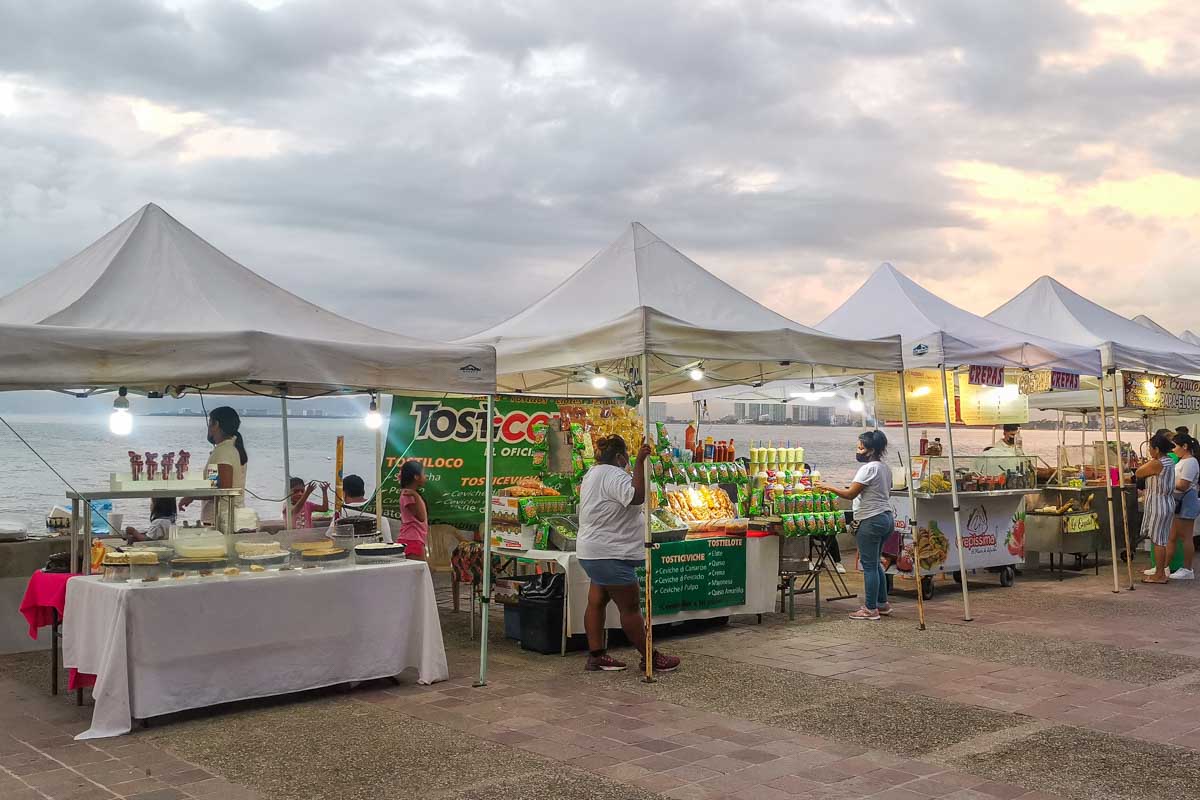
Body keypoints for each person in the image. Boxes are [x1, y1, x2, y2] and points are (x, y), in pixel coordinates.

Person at [577, 435, 680, 673]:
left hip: (593, 550)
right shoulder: (613, 475)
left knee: (597, 602)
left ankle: (596, 656)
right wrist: (640, 463)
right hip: (609, 552)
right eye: (626, 457)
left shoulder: (593, 473)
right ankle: (650, 657)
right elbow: (636, 496)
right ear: (620, 457)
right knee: (630, 608)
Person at [819, 430, 894, 621]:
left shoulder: (868, 469)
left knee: (868, 566)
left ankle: (870, 609)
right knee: (875, 562)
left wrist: (828, 486)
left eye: (860, 447)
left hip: (870, 520)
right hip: (886, 518)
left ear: (870, 450)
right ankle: (882, 604)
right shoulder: (885, 468)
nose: (858, 450)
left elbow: (850, 494)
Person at [180, 406, 247, 524]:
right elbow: (213, 483)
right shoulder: (227, 448)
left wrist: (192, 496)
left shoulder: (224, 451)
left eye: (209, 423)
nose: (208, 428)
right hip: (223, 518)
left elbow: (221, 489)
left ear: (215, 424)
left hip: (221, 520)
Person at [1138, 432, 1177, 584]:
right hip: (1167, 502)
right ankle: (1161, 570)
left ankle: (1159, 574)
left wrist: (1148, 462)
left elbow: (1140, 472)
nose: (1149, 450)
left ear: (1157, 449)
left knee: (1157, 540)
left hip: (1158, 504)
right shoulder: (1169, 461)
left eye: (1150, 447)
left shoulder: (1157, 463)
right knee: (1162, 539)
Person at [1165, 432, 1199, 580]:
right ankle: (1163, 566)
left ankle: (1187, 568)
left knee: (1186, 536)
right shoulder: (1181, 461)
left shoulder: (1191, 462)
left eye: (1175, 446)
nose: (1173, 449)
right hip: (1177, 501)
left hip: (1186, 501)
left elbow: (1184, 484)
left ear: (1184, 446)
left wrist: (1167, 483)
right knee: (1172, 536)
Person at [803, 462, 845, 573]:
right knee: (806, 533)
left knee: (831, 533)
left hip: (820, 521)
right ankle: (809, 560)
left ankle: (837, 562)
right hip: (806, 523)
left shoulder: (818, 487)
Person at [334, 474, 395, 543]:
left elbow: (331, 536)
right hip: (378, 551)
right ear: (363, 490)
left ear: (344, 493)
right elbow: (388, 542)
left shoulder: (342, 512)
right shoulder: (378, 509)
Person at [397, 461, 429, 561]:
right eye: (423, 473)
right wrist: (416, 496)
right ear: (416, 476)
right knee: (418, 574)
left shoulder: (411, 494)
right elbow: (421, 517)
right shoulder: (409, 495)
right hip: (412, 540)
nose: (425, 476)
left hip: (415, 539)